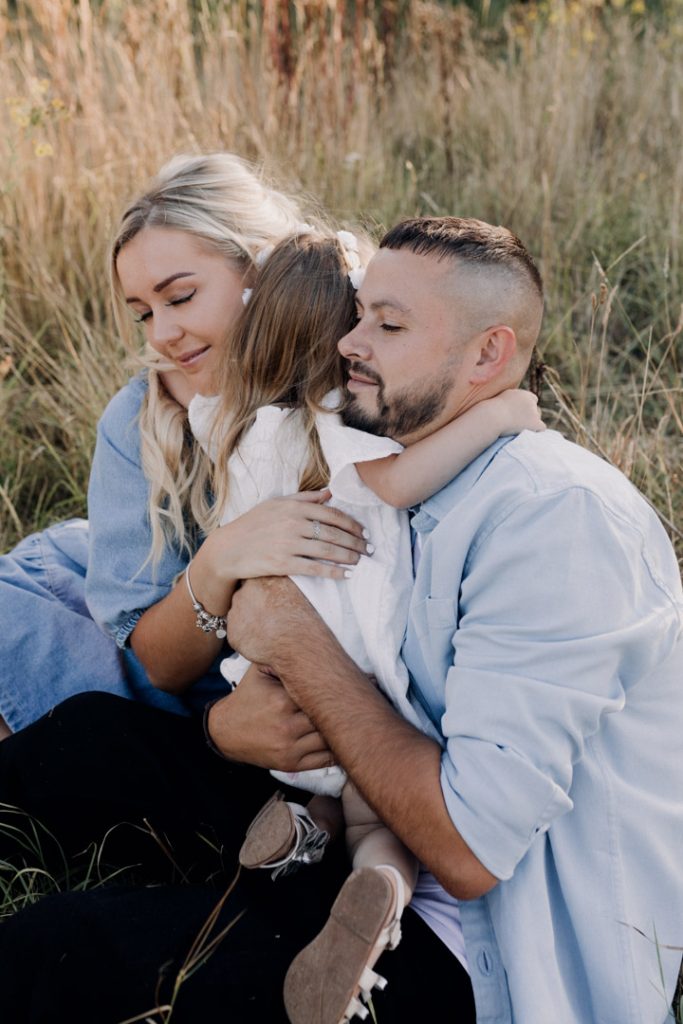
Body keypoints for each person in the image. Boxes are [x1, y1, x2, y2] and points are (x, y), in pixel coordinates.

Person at [0, 217, 680, 1024]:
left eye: (387, 326)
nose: (351, 342)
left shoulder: (556, 520)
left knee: (60, 951)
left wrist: (287, 635)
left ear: (487, 356)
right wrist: (228, 729)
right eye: (357, 316)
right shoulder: (395, 452)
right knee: (93, 739)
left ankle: (310, 928)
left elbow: (467, 852)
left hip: (470, 955)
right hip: (341, 805)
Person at [185, 228, 544, 1022]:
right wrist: (497, 419)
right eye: (356, 322)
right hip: (339, 645)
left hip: (261, 672)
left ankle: (291, 829)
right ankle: (378, 881)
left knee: (310, 781)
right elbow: (396, 484)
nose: (358, 342)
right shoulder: (328, 426)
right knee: (371, 807)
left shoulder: (228, 423)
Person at [0, 152, 367, 738]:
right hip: (150, 621)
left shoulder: (360, 371)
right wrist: (222, 556)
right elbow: (159, 664)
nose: (163, 336)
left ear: (261, 267)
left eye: (181, 297)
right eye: (143, 313)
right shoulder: (142, 416)